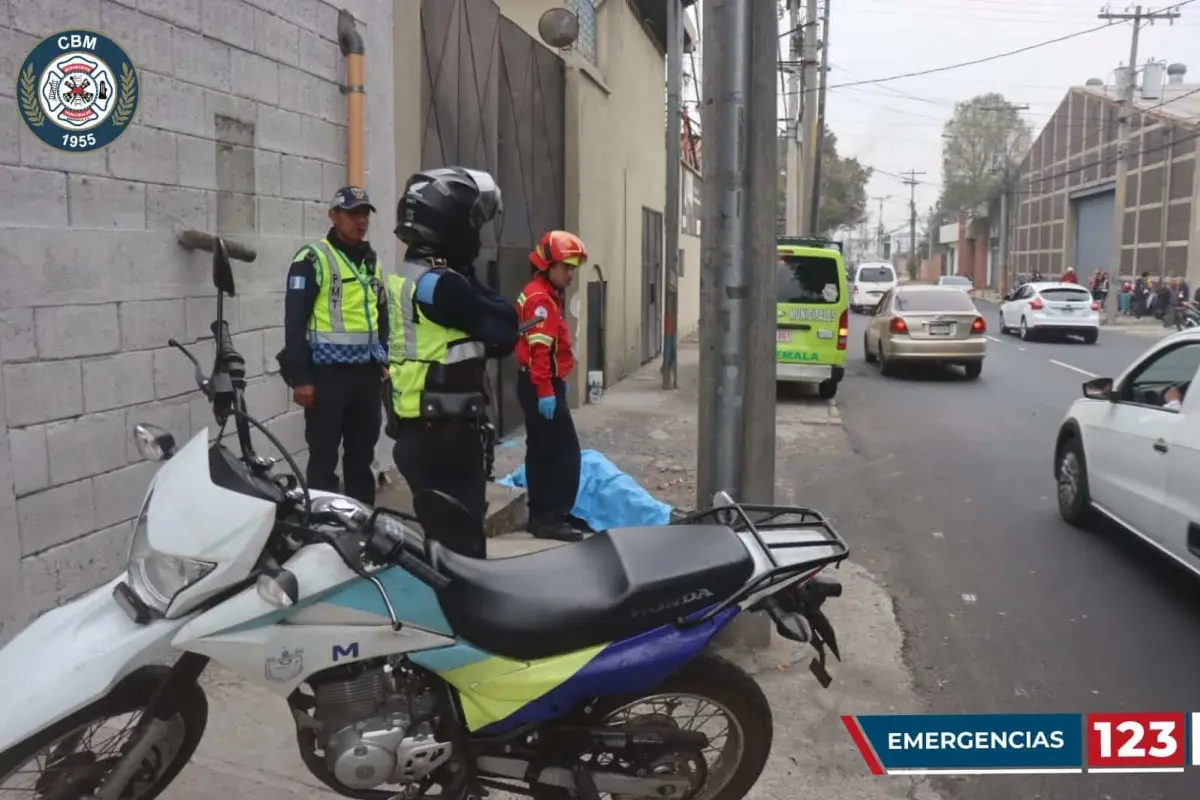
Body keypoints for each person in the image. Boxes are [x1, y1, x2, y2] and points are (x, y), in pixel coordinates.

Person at [386, 167, 519, 558]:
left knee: (442, 545)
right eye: (471, 225)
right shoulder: (442, 287)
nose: (475, 235)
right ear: (450, 227)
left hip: (419, 432)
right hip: (443, 438)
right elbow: (505, 326)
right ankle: (464, 619)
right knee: (463, 555)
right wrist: (467, 279)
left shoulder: (408, 278)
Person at [279, 186, 387, 505]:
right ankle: (324, 531)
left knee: (362, 457)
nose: (360, 221)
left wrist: (384, 359)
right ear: (334, 216)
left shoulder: (371, 260)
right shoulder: (312, 258)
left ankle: (362, 529)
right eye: (353, 213)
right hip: (327, 375)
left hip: (366, 375)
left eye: (364, 214)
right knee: (324, 457)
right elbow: (294, 320)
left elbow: (381, 312)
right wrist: (301, 377)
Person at [515, 230, 589, 543]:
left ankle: (540, 514)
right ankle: (554, 517)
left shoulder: (542, 293)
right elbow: (539, 351)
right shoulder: (541, 300)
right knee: (566, 454)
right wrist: (546, 390)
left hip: (539, 383)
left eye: (573, 268)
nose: (570, 274)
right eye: (566, 267)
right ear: (547, 265)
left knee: (541, 451)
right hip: (540, 385)